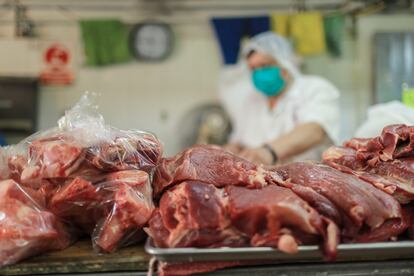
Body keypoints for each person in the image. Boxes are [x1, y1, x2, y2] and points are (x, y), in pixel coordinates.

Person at [219, 32, 340, 165]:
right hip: (261, 180)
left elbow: (315, 130)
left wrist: (268, 152)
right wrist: (231, 150)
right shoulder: (252, 99)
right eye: (253, 69)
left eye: (264, 65)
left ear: (285, 64)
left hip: (309, 179)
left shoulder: (314, 88)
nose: (259, 73)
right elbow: (239, 141)